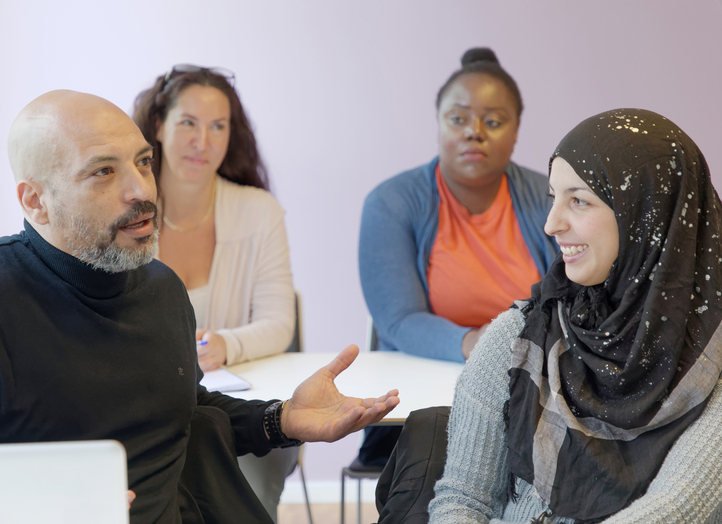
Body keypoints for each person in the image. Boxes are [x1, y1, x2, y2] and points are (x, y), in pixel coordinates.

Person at [0, 90, 399, 524]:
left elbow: (182, 410)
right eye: (103, 172)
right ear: (36, 201)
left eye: (143, 162)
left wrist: (283, 419)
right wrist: (44, 508)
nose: (141, 190)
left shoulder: (161, 288)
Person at [377, 108, 722, 524]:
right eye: (552, 198)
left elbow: (673, 511)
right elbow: (463, 500)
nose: (550, 224)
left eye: (578, 200)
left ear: (646, 215)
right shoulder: (522, 333)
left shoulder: (713, 361)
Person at [356, 48, 558, 469]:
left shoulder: (553, 200)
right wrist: (474, 343)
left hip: (532, 388)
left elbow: (575, 304)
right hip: (418, 404)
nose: (474, 132)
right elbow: (398, 319)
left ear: (516, 130)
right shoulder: (392, 202)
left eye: (494, 121)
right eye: (458, 119)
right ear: (439, 123)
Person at [132, 66, 297, 521]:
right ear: (159, 126)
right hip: (148, 404)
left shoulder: (259, 212)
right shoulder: (126, 211)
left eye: (217, 126)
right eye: (188, 123)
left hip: (237, 405)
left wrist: (227, 343)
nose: (202, 141)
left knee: (246, 471)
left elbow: (280, 322)